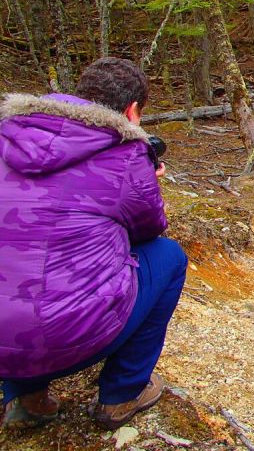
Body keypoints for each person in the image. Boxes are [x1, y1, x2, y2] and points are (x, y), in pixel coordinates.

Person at [0, 57, 187, 431]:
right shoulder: (123, 154)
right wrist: (146, 179)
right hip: (70, 339)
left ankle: (26, 396)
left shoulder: (9, 136)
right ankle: (121, 394)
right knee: (169, 257)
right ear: (132, 110)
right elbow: (149, 229)